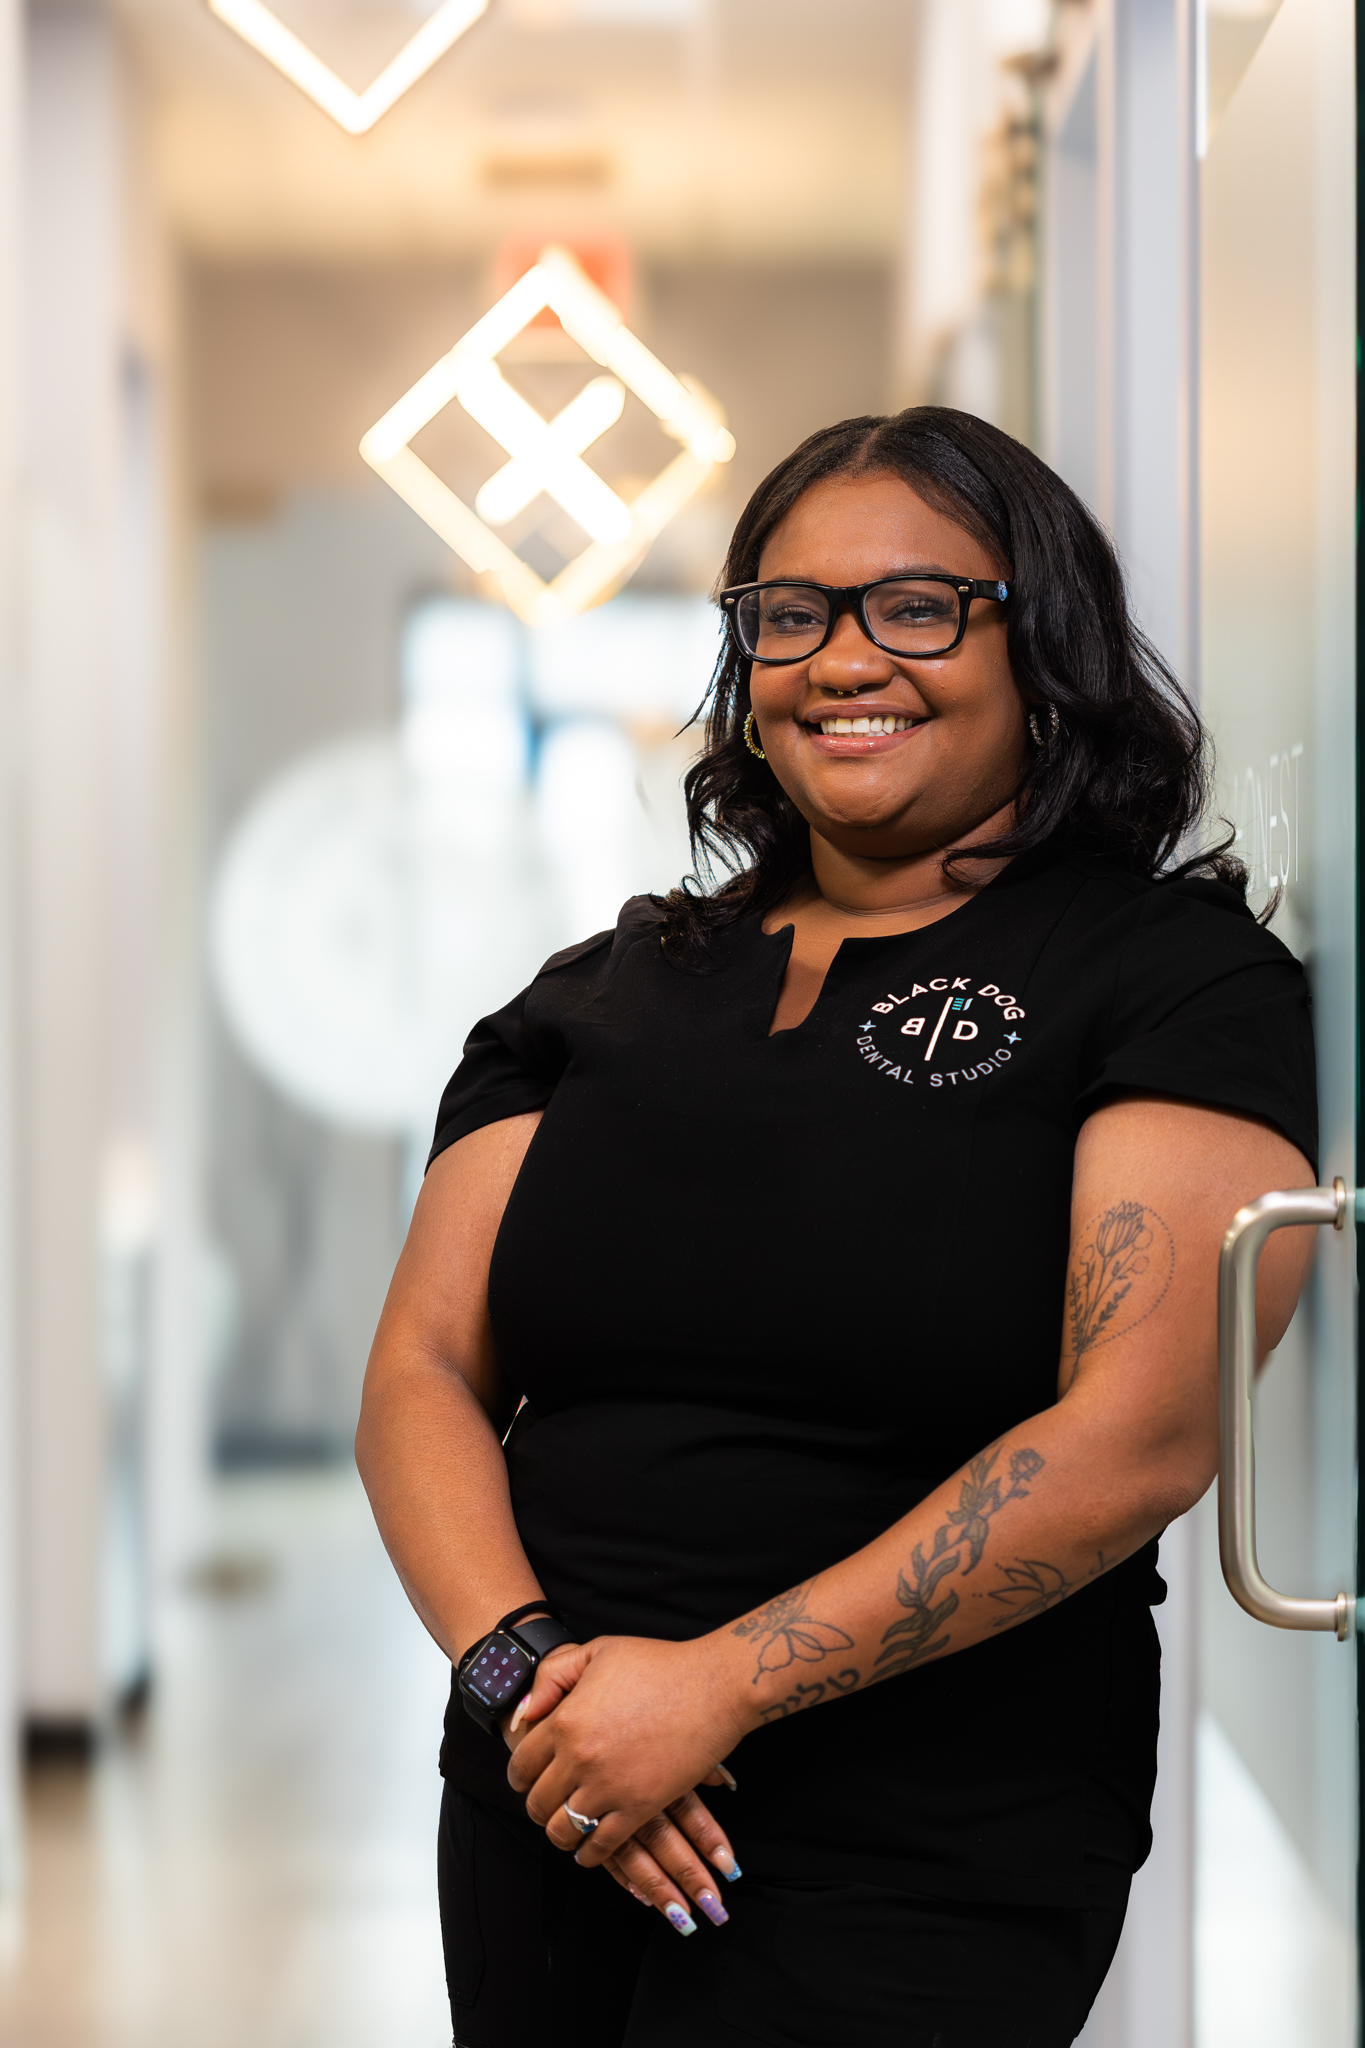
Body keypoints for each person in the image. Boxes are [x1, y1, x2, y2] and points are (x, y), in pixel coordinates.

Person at [356, 407, 1318, 2048]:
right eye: (789, 614)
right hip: (552, 1791)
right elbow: (421, 1376)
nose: (842, 659)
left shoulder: (1166, 980)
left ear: (1041, 643)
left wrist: (709, 1691)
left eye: (917, 607)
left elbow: (1140, 1437)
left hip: (927, 1832)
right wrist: (535, 1691)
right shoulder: (596, 992)